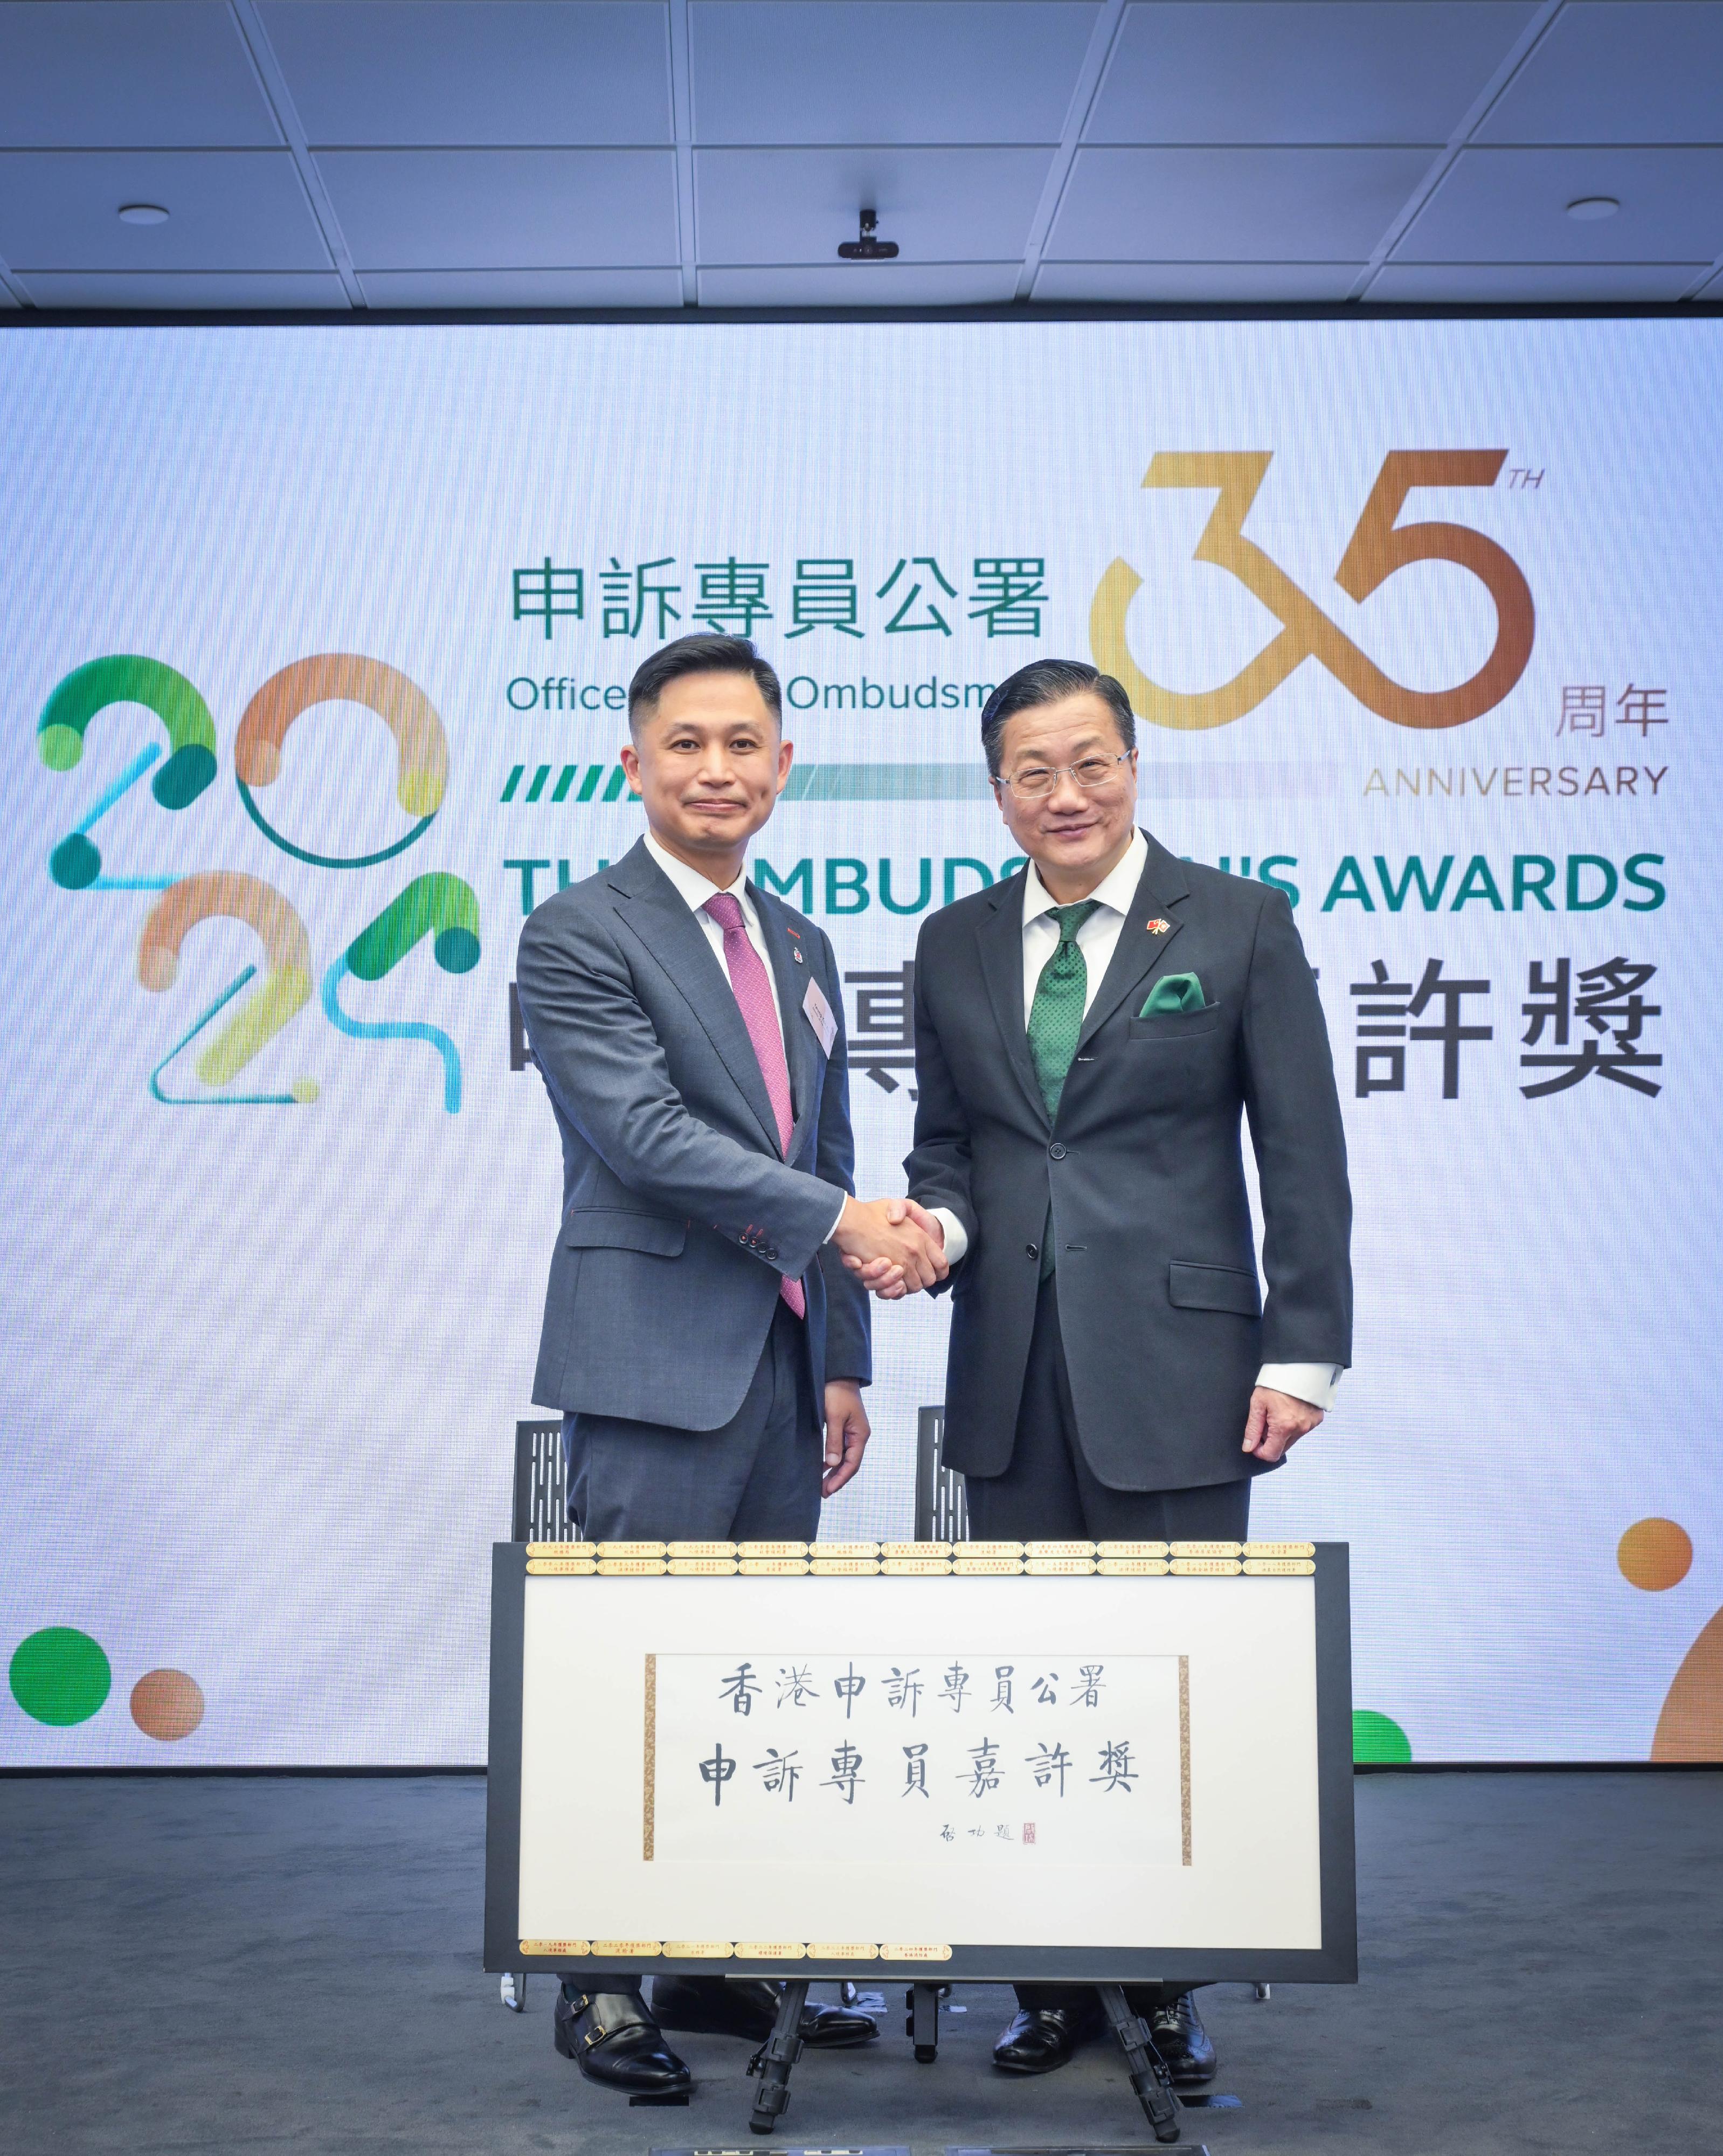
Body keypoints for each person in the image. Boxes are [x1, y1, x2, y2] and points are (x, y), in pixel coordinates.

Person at [882, 657, 1352, 2083]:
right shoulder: (953, 941)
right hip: (1012, 1373)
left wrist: (1307, 1351)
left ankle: (1162, 1984)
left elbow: (1304, 1159)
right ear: (998, 788)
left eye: (1090, 763)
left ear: (1134, 765)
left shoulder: (1242, 923)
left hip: (1185, 1370)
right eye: (1033, 770)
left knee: (1168, 1688)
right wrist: (938, 1229)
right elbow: (951, 1148)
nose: (1065, 795)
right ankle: (1051, 1981)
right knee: (1027, 1689)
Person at [515, 633, 947, 2097]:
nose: (719, 770)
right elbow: (642, 1138)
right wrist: (845, 1223)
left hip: (779, 1374)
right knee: (623, 1673)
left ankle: (707, 1955)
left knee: (748, 1678)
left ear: (781, 763)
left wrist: (841, 1358)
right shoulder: (579, 932)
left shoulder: (805, 945)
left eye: (744, 744)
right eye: (687, 743)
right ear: (632, 762)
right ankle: (596, 1984)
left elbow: (818, 1152)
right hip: (652, 1364)